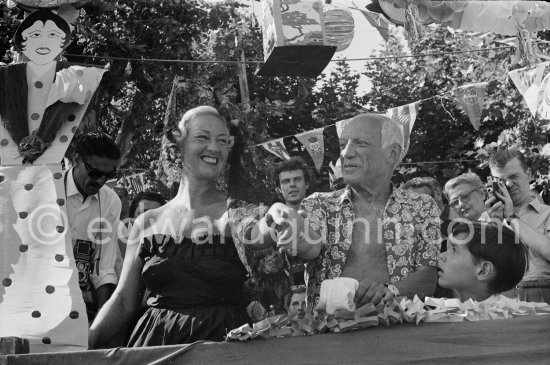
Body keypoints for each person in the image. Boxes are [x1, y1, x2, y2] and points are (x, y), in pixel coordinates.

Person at [89, 106, 255, 348]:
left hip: (224, 349)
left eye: (222, 140)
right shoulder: (147, 222)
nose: (214, 147)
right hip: (156, 346)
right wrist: (83, 344)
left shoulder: (239, 214)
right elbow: (124, 301)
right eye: (202, 137)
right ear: (179, 145)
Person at [252, 113, 441, 309]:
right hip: (332, 333)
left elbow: (427, 277)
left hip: (398, 329)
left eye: (360, 143)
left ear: (392, 153)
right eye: (343, 145)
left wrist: (391, 291)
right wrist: (293, 227)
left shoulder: (422, 206)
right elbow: (311, 246)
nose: (346, 153)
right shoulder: (320, 204)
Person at [0, 9, 106, 351]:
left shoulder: (75, 79)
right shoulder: (5, 81)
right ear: (21, 42)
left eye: (52, 36)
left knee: (48, 268)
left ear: (64, 43)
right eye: (34, 36)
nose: (43, 43)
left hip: (46, 187)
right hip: (7, 185)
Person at [66, 132, 122, 322]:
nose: (100, 181)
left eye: (109, 175)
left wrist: (101, 316)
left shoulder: (111, 201)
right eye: (95, 173)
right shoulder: (48, 188)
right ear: (76, 159)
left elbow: (104, 266)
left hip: (83, 302)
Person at [486, 149, 550, 303]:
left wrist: (511, 218)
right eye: (501, 181)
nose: (508, 184)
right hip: (501, 296)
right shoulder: (487, 218)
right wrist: (495, 226)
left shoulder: (547, 214)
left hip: (542, 294)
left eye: (514, 176)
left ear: (529, 174)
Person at [438, 221, 527, 302]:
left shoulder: (499, 318)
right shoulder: (448, 315)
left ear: (483, 270)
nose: (441, 256)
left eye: (454, 250)